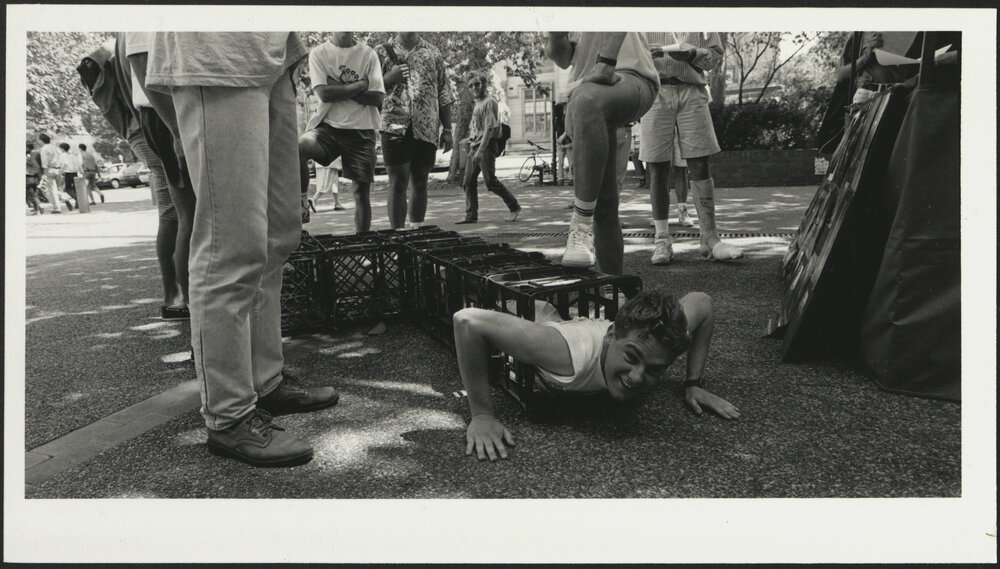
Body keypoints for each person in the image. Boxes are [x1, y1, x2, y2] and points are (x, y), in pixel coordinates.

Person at [145, 32, 340, 467]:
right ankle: (228, 415)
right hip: (213, 56)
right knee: (231, 246)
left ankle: (264, 380)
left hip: (273, 59)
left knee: (279, 234)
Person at [453, 289, 740, 461]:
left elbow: (701, 301)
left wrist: (693, 383)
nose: (638, 377)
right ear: (611, 336)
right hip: (541, 320)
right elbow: (467, 321)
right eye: (631, 357)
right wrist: (481, 415)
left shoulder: (661, 343)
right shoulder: (567, 357)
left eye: (655, 370)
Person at [545, 32, 659, 273]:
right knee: (604, 206)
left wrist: (606, 64)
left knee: (587, 100)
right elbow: (563, 57)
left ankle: (580, 225)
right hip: (586, 90)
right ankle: (613, 292)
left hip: (631, 76)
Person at [641, 32, 741, 266]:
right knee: (657, 166)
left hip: (693, 89)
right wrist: (646, 55)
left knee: (699, 163)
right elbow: (628, 55)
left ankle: (709, 238)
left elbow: (715, 57)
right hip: (654, 92)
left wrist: (693, 53)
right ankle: (662, 239)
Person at [298, 32, 385, 233]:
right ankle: (302, 202)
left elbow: (377, 98)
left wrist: (339, 88)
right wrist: (360, 85)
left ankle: (363, 246)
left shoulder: (368, 54)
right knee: (299, 147)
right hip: (328, 127)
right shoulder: (319, 53)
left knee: (361, 193)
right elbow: (324, 93)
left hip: (361, 130)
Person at [375, 32, 456, 230]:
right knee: (397, 182)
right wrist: (389, 77)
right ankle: (399, 238)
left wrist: (447, 128)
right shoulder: (381, 51)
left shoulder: (433, 52)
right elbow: (370, 88)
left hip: (426, 125)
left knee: (420, 181)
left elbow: (443, 92)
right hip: (394, 124)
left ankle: (417, 234)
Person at [457, 71, 521, 224]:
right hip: (475, 146)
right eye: (471, 85)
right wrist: (471, 141)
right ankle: (471, 216)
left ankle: (514, 207)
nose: (474, 88)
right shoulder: (478, 103)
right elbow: (479, 128)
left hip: (486, 147)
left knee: (490, 182)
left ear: (483, 84)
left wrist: (480, 150)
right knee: (468, 182)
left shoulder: (489, 102)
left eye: (477, 84)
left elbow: (490, 129)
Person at [37, 133, 66, 213]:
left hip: (50, 169)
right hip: (59, 169)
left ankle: (57, 208)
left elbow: (44, 163)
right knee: (58, 188)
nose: (38, 142)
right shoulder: (55, 148)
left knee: (50, 189)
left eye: (39, 140)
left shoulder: (44, 149)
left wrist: (44, 174)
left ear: (42, 140)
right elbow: (61, 158)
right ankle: (64, 198)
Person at [26, 143, 44, 215]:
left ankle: (38, 210)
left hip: (30, 177)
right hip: (34, 177)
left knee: (32, 195)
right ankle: (38, 208)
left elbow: (37, 167)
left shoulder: (30, 157)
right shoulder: (33, 155)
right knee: (34, 195)